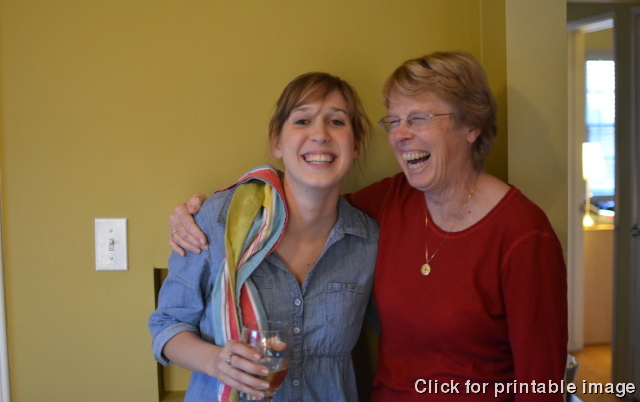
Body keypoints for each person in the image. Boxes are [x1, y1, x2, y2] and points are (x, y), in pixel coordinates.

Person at [169, 51, 568, 401]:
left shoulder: (521, 233)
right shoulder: (390, 203)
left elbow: (543, 384)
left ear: (471, 125)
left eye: (419, 118)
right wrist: (199, 213)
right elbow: (309, 201)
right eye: (394, 120)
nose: (401, 135)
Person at [149, 72, 379, 402]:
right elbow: (167, 325)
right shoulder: (219, 218)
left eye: (336, 122)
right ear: (277, 142)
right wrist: (216, 362)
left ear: (355, 146)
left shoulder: (369, 240)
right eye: (302, 120)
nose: (320, 134)